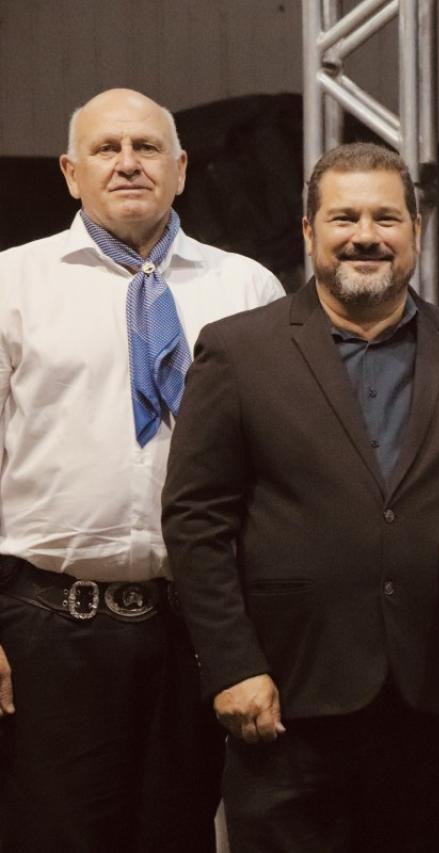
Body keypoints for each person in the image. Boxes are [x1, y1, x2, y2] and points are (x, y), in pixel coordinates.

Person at [161, 142, 439, 853]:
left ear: (417, 230)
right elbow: (195, 521)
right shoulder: (239, 350)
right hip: (285, 699)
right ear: (309, 231)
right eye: (344, 217)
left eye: (386, 218)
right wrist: (233, 665)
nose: (366, 235)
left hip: (430, 701)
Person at [0, 88, 283, 853]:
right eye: (106, 148)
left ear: (181, 169)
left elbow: (276, 466)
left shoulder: (247, 288)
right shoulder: (13, 284)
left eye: (147, 147)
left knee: (178, 835)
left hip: (194, 629)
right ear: (71, 172)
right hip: (48, 630)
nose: (128, 163)